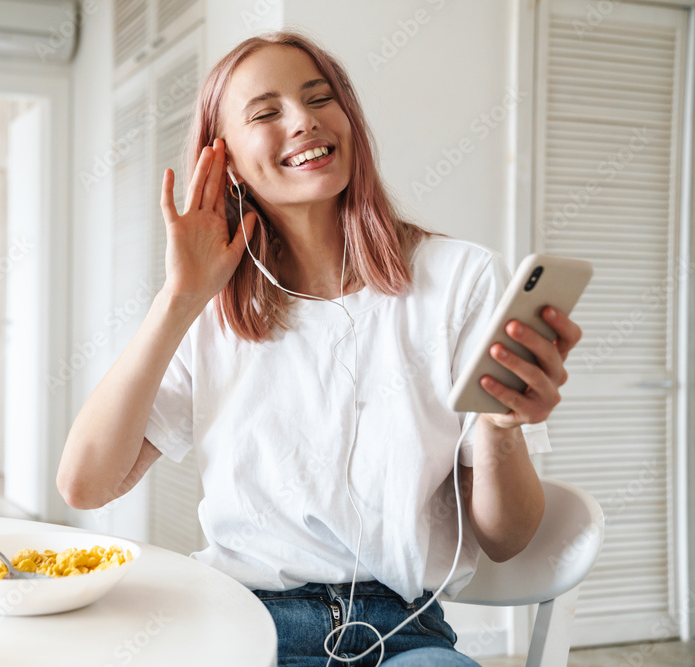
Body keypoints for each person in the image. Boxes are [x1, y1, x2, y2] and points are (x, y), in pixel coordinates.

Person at [57, 30, 582, 666]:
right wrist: (179, 299)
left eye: (319, 98)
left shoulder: (462, 280)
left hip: (404, 633)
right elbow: (85, 485)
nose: (304, 121)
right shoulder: (212, 310)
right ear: (220, 160)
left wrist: (500, 428)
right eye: (266, 112)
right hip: (242, 622)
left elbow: (507, 539)